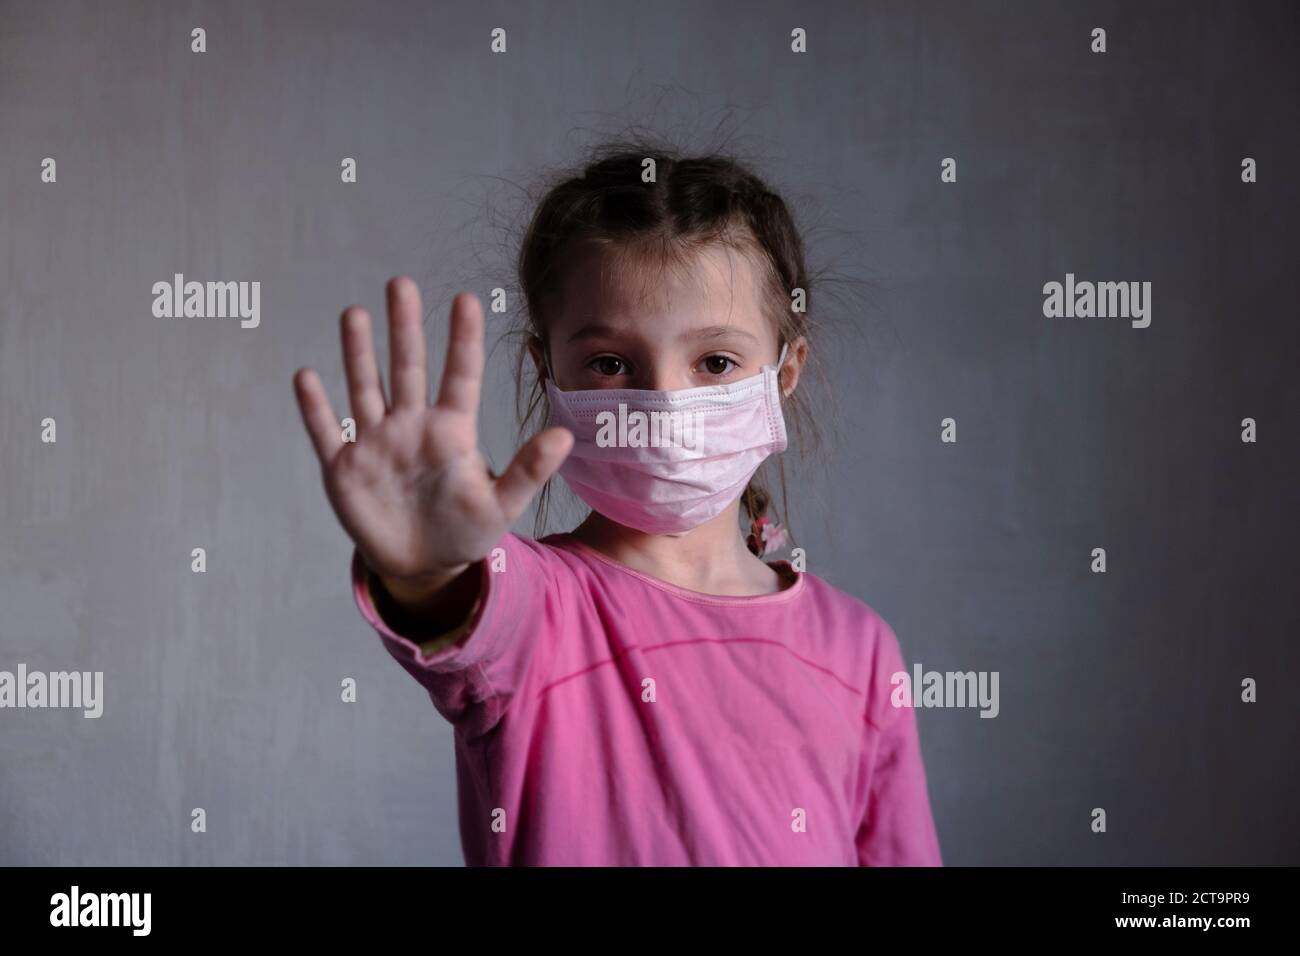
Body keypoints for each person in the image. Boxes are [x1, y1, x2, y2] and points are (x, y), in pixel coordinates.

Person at [292, 144, 942, 866]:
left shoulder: (858, 648)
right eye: (610, 364)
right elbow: (462, 608)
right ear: (549, 371)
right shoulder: (537, 610)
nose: (663, 402)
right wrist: (427, 569)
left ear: (784, 372)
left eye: (716, 362)